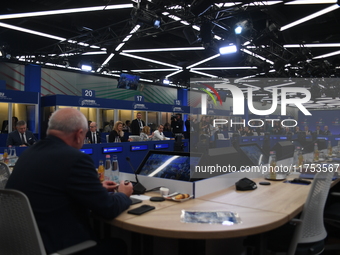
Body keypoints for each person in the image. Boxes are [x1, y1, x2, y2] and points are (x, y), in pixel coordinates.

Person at [6, 108, 133, 255]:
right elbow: (108, 208)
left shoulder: (28, 154)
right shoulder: (76, 159)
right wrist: (124, 194)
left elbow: (54, 189)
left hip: (26, 246)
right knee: (118, 245)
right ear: (79, 134)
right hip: (60, 248)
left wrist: (95, 188)